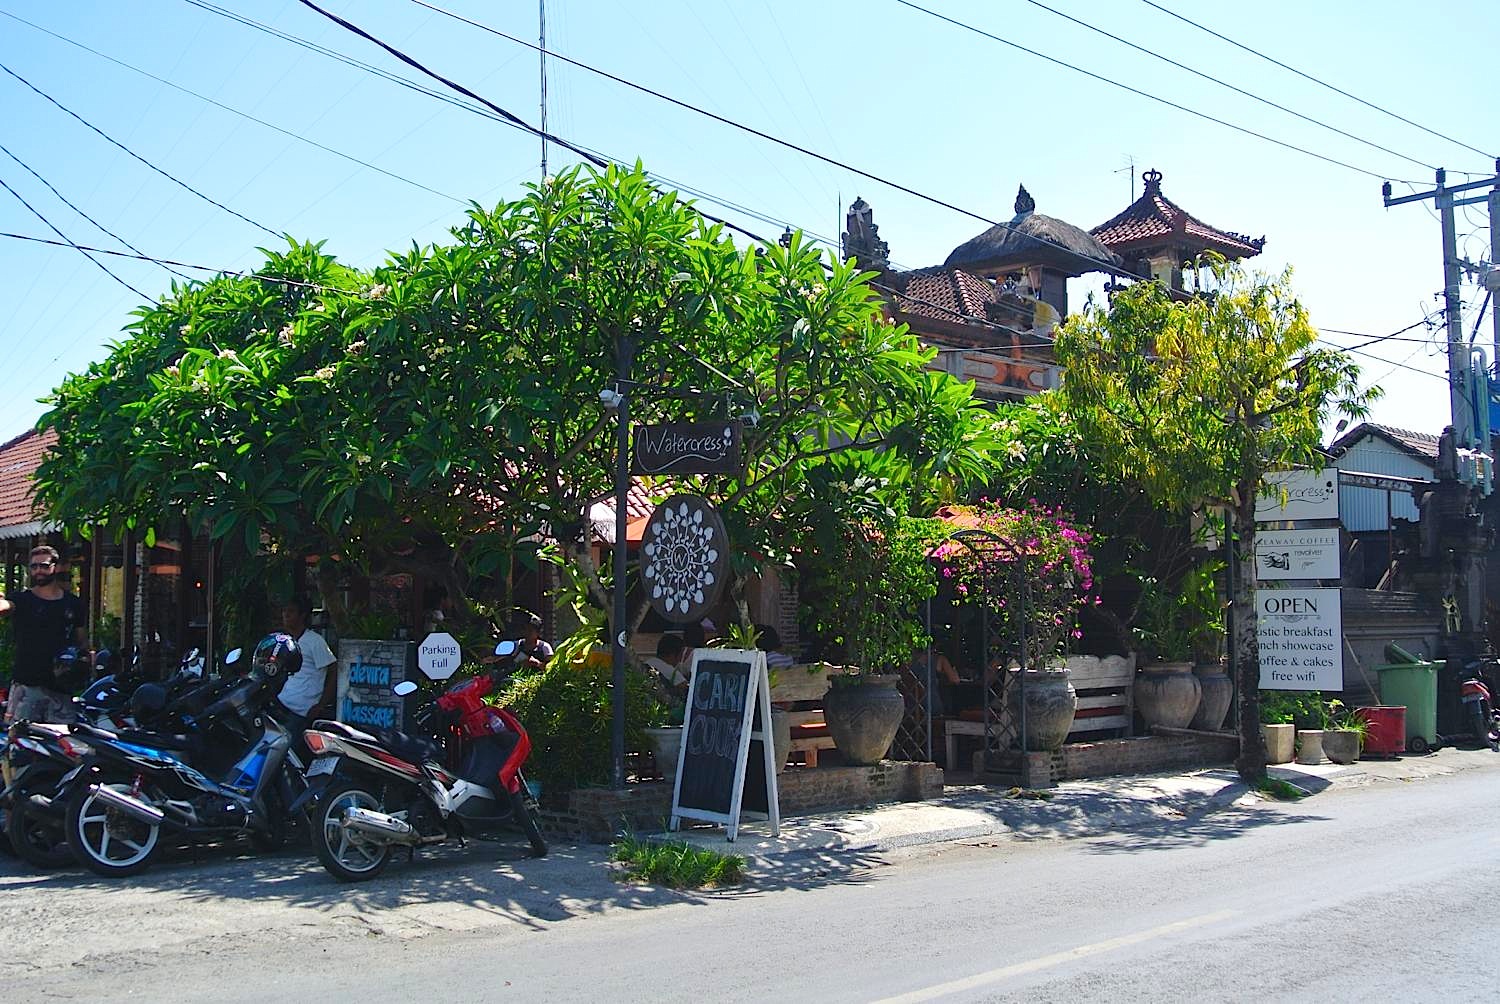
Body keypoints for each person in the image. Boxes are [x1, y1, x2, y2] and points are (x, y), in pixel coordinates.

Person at [1, 545, 88, 724]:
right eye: (34, 566)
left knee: (62, 739)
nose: (38, 570)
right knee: (20, 738)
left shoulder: (73, 604)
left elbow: (81, 641)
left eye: (44, 566)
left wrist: (83, 661)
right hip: (27, 686)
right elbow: (6, 606)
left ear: (56, 567)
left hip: (61, 690)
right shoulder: (22, 599)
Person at [275, 597, 338, 742]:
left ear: (302, 615)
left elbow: (333, 670)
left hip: (301, 710)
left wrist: (321, 705)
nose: (286, 615)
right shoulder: (284, 641)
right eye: (284, 611)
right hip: (281, 704)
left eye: (291, 611)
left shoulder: (315, 641)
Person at [643, 633, 690, 702]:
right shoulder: (670, 671)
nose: (680, 660)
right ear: (672, 655)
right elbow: (686, 687)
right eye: (680, 655)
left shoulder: (648, 662)